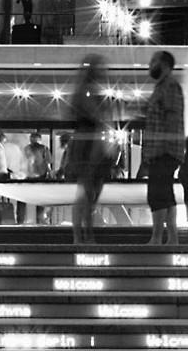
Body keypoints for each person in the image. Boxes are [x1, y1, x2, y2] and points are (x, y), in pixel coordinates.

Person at [138, 49, 184, 245]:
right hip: (163, 150)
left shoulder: (169, 86)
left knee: (156, 194)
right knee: (165, 193)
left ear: (164, 65)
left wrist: (165, 147)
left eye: (153, 62)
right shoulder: (163, 87)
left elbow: (172, 119)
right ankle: (172, 238)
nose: (150, 66)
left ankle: (157, 237)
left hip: (164, 150)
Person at [69, 54, 113, 243]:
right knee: (87, 192)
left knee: (90, 193)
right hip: (88, 145)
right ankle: (83, 235)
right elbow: (96, 116)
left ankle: (83, 234)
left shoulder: (92, 91)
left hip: (94, 145)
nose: (104, 71)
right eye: (100, 67)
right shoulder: (85, 92)